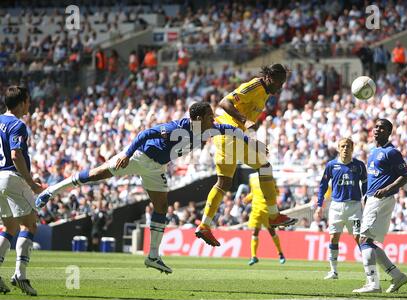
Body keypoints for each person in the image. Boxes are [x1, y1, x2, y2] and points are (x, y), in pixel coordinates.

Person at [35, 102, 256, 274]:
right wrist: (125, 154)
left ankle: (152, 256)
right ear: (198, 118)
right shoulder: (176, 128)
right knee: (95, 175)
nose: (213, 119)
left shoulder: (208, 129)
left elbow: (227, 129)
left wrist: (247, 137)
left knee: (162, 207)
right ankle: (50, 191)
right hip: (140, 157)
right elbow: (145, 134)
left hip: (157, 168)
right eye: (210, 116)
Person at [196, 64, 298, 247]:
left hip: (224, 136)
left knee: (224, 182)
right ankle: (274, 215)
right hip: (229, 134)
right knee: (265, 167)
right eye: (279, 82)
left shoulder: (265, 92)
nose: (280, 87)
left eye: (283, 83)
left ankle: (204, 225)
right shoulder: (254, 86)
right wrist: (246, 122)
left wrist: (249, 126)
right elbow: (224, 103)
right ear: (268, 78)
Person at [353, 119, 407, 293]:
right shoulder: (374, 151)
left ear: (388, 132)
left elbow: (406, 175)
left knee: (364, 240)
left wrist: (387, 189)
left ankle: (373, 283)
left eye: (382, 127)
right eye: (376, 126)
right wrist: (366, 197)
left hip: (382, 199)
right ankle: (397, 276)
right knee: (367, 241)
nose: (377, 129)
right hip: (372, 199)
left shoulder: (391, 152)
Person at [0, 86, 43, 296]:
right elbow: (16, 156)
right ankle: (20, 274)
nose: (30, 105)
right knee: (30, 224)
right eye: (28, 101)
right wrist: (31, 182)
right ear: (21, 102)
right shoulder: (17, 124)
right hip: (12, 177)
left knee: (9, 227)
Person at [315, 138, 367, 280]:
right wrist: (320, 205)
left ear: (352, 148)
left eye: (348, 146)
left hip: (354, 207)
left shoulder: (359, 165)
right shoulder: (331, 165)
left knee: (359, 238)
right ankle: (333, 271)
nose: (345, 149)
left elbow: (365, 184)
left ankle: (369, 272)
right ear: (338, 148)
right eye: (343, 146)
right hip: (336, 207)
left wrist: (366, 201)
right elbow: (323, 185)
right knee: (333, 237)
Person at [244, 173, 286, 266]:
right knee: (255, 232)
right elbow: (253, 192)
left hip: (266, 210)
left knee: (272, 232)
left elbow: (277, 192)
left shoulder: (270, 178)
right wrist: (247, 198)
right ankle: (253, 256)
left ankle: (280, 254)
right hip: (256, 210)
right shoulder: (252, 178)